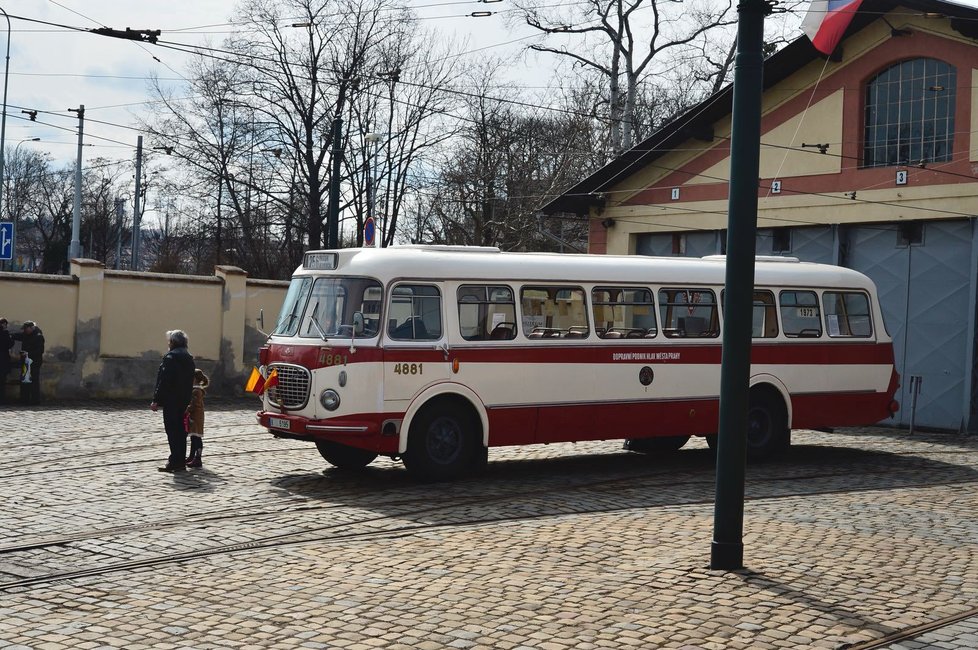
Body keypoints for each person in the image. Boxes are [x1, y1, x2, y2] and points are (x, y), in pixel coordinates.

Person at [151, 329, 195, 473]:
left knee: (172, 431)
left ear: (173, 342)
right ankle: (180, 460)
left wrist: (156, 399)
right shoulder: (189, 357)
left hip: (171, 400)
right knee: (181, 431)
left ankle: (175, 461)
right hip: (184, 399)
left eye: (169, 341)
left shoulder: (170, 357)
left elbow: (164, 380)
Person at [11, 320, 44, 405]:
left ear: (31, 328)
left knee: (34, 381)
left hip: (34, 361)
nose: (25, 330)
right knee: (25, 381)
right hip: (26, 361)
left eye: (26, 329)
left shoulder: (38, 336)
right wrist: (10, 335)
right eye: (24, 329)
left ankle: (35, 400)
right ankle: (24, 399)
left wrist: (28, 354)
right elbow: (19, 336)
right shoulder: (26, 334)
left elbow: (40, 350)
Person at [185, 368, 209, 468]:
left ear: (194, 378)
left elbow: (194, 405)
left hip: (196, 417)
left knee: (196, 438)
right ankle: (191, 457)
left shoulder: (196, 391)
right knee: (193, 437)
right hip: (194, 417)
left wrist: (186, 410)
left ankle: (197, 458)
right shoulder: (195, 389)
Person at [0, 319, 13, 404]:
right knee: (2, 381)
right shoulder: (5, 333)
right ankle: (1, 399)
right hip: (3, 360)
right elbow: (10, 344)